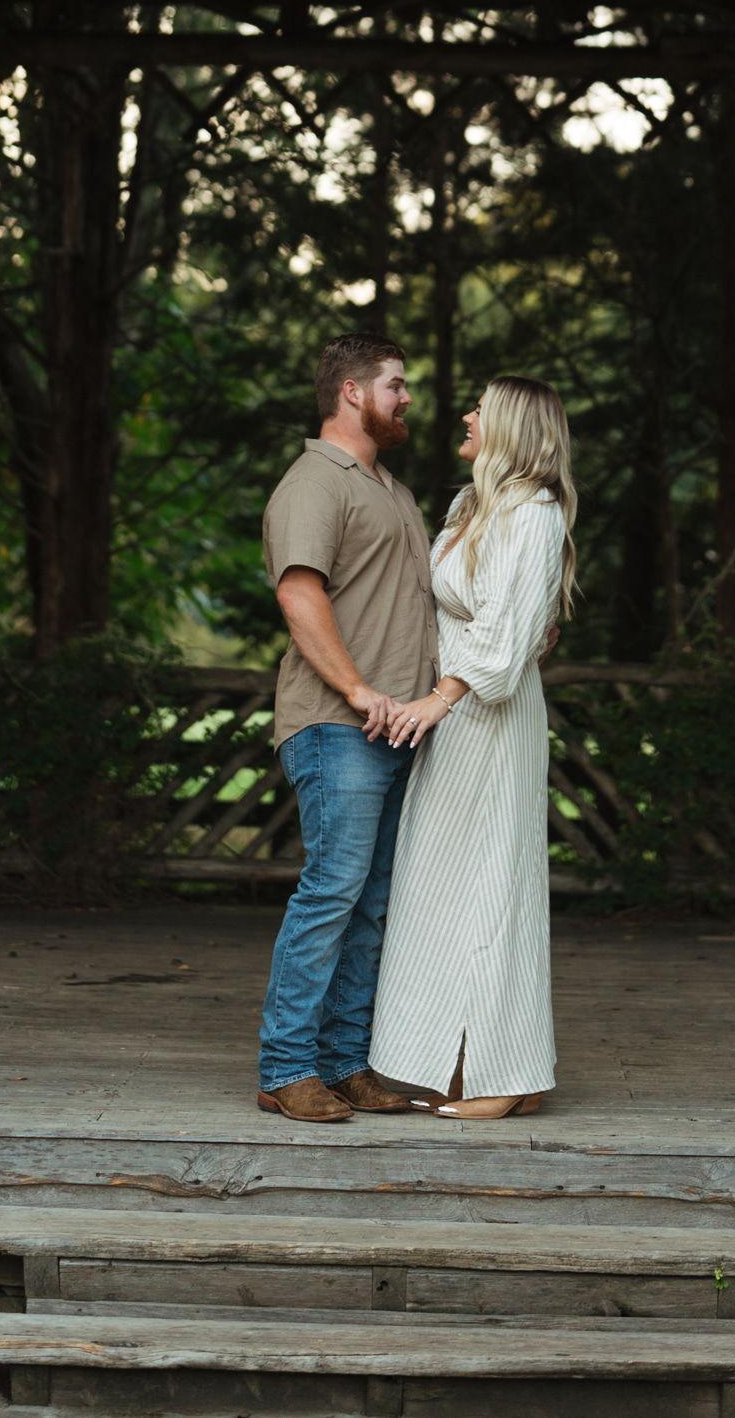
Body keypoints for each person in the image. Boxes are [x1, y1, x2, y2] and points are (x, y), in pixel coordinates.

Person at [368, 376, 579, 1120]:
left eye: (480, 410)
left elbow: (507, 631)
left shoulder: (534, 513)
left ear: (512, 428)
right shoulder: (471, 506)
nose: (465, 416)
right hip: (453, 717)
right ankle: (453, 1061)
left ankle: (504, 1073)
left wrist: (440, 698)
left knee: (493, 887)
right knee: (439, 888)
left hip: (485, 717)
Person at [252, 333, 442, 1123]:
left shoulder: (392, 491)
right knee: (332, 892)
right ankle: (287, 1066)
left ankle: (343, 1062)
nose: (407, 397)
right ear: (353, 392)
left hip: (398, 731)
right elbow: (299, 596)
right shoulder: (314, 482)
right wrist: (360, 690)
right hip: (337, 725)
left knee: (370, 903)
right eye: (395, 383)